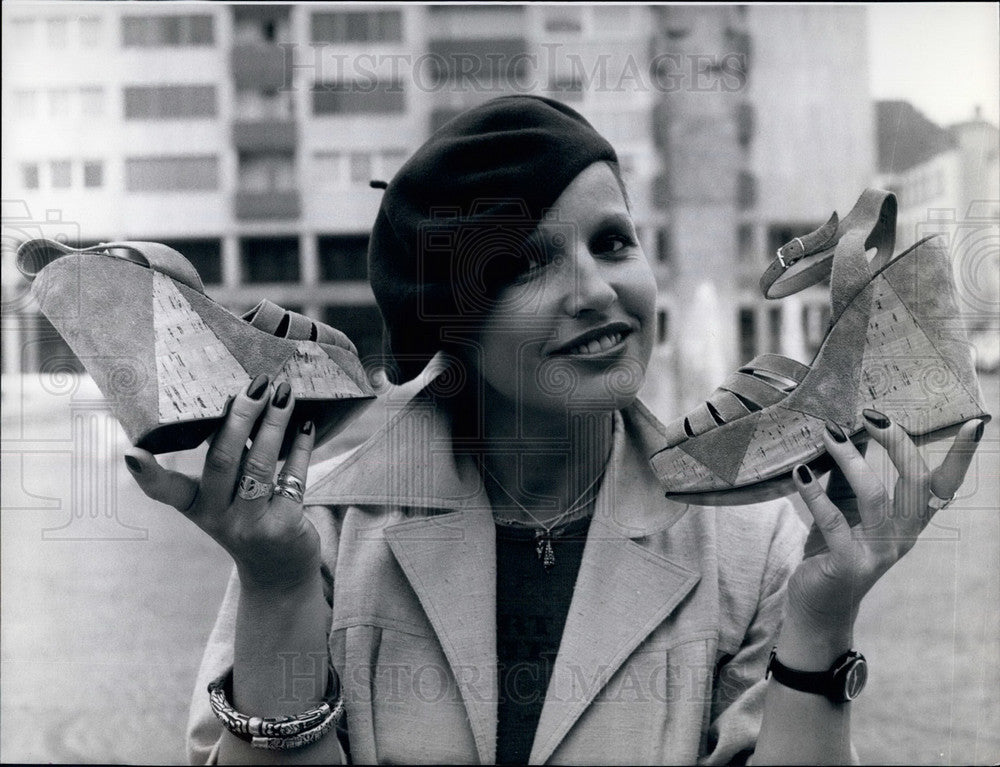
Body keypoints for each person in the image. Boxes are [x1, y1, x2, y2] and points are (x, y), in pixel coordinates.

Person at [124, 95, 984, 765]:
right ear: (454, 320)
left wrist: (824, 617)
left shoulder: (757, 546)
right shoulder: (316, 529)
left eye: (613, 243)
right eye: (528, 263)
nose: (598, 291)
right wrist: (276, 592)